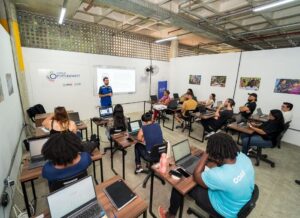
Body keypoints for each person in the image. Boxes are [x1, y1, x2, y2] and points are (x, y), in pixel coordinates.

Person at [158, 133, 255, 218]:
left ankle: (170, 215)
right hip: (242, 202)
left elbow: (196, 176)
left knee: (179, 185)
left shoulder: (219, 175)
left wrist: (206, 153)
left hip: (225, 211)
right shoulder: (244, 157)